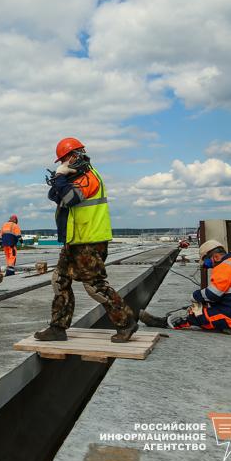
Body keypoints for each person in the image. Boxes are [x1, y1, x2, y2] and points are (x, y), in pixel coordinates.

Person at [34, 137, 137, 343]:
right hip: (74, 241)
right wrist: (59, 179)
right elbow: (54, 196)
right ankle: (58, 328)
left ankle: (126, 323)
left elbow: (72, 199)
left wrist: (62, 179)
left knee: (95, 286)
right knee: (59, 281)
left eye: (64, 161)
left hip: (90, 242)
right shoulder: (75, 177)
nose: (62, 165)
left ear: (73, 157)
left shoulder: (89, 178)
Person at [139, 240, 231, 334]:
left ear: (216, 257)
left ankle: (163, 323)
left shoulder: (223, 267)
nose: (207, 265)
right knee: (202, 308)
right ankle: (165, 320)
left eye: (206, 261)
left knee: (196, 315)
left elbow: (213, 294)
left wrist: (196, 296)